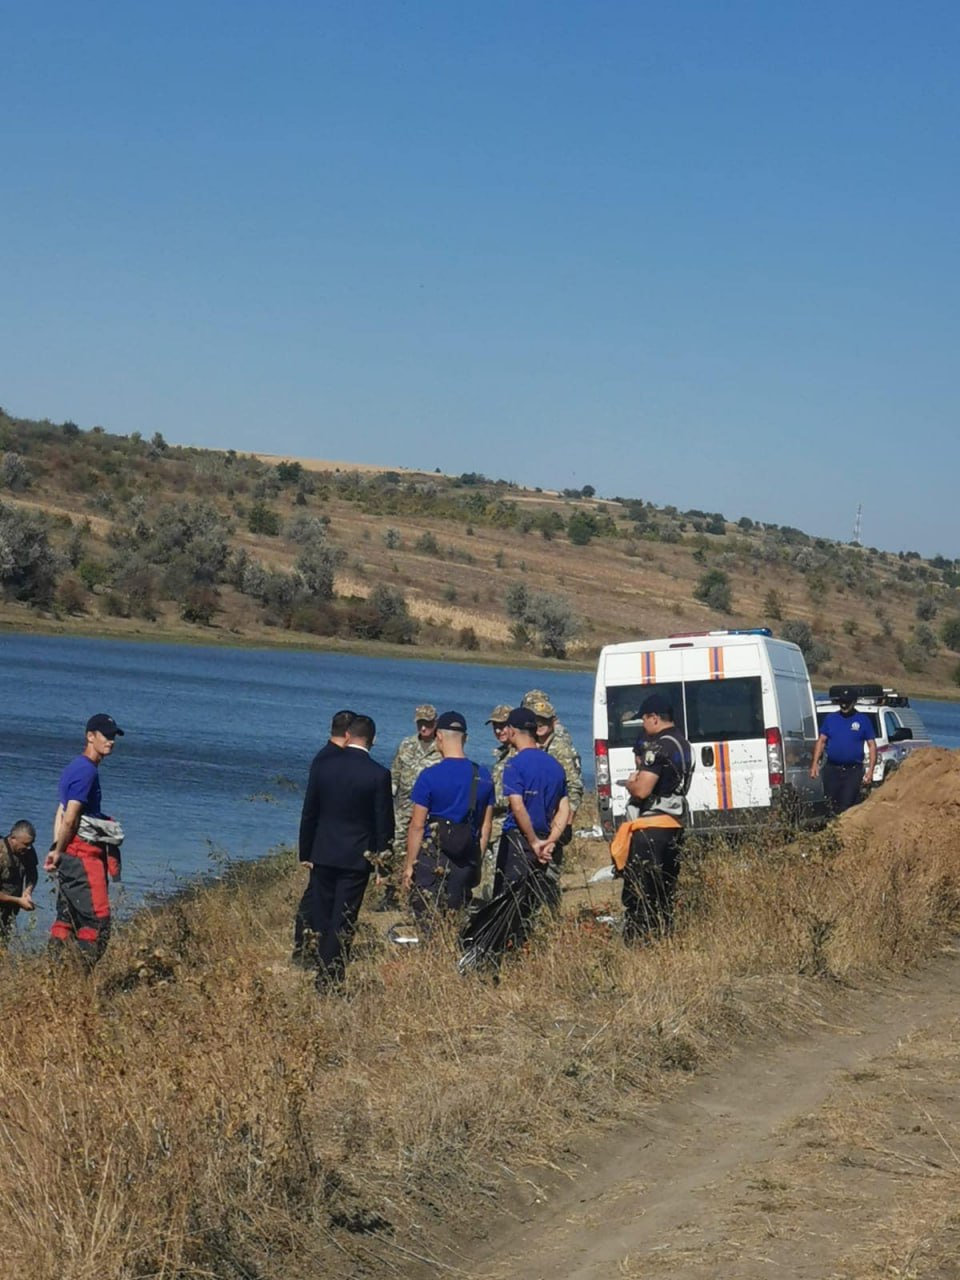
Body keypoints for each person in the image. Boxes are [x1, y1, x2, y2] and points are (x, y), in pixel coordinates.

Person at [297, 714, 394, 990]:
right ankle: (332, 974)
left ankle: (320, 965)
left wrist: (306, 851)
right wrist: (382, 866)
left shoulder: (324, 767)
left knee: (323, 911)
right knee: (345, 916)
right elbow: (383, 823)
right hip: (356, 857)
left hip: (324, 852)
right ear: (372, 741)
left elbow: (310, 812)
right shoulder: (378, 774)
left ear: (348, 736)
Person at [609, 693, 693, 942]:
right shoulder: (683, 744)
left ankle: (639, 940)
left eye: (644, 720)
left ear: (654, 718)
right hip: (673, 824)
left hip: (651, 826)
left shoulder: (658, 747)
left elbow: (643, 789)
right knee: (665, 887)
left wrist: (632, 783)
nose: (643, 726)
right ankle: (664, 936)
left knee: (641, 890)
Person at [401, 711, 494, 931]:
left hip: (432, 857)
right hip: (464, 857)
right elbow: (485, 826)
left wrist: (409, 865)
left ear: (439, 737)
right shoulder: (483, 775)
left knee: (427, 918)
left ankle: (433, 957)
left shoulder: (429, 776)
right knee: (456, 918)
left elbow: (417, 826)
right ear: (466, 738)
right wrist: (476, 861)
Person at [44, 714, 125, 965]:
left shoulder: (77, 767)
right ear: (90, 736)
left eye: (113, 736)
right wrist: (59, 850)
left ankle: (53, 976)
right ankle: (77, 981)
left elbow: (60, 809)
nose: (110, 741)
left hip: (71, 853)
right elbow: (70, 817)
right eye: (105, 736)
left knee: (67, 918)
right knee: (98, 922)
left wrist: (57, 849)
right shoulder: (86, 771)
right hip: (82, 854)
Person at [292, 708, 357, 965]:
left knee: (317, 897)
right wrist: (306, 850)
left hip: (325, 842)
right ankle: (304, 948)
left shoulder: (329, 757)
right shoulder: (328, 760)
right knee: (315, 899)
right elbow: (311, 810)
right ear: (348, 733)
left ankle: (312, 947)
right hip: (324, 844)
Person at [496, 707, 570, 913]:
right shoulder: (555, 765)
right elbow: (564, 808)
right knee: (532, 900)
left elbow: (518, 806)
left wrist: (532, 841)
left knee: (508, 901)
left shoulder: (514, 764)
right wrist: (551, 840)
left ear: (511, 730)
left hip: (518, 839)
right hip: (544, 839)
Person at [382, 704, 441, 909]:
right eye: (420, 723)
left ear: (435, 723)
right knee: (396, 846)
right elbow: (395, 772)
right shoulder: (406, 744)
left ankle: (419, 894)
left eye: (428, 724)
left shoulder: (441, 746)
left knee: (424, 850)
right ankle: (391, 894)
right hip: (404, 806)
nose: (423, 728)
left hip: (429, 810)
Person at [811, 687, 877, 816]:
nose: (844, 705)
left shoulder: (863, 720)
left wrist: (870, 771)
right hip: (832, 769)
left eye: (847, 702)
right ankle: (830, 830)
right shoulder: (831, 719)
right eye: (842, 702)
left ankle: (844, 831)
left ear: (853, 702)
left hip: (853, 771)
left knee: (846, 804)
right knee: (830, 803)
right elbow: (821, 741)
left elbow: (872, 745)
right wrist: (814, 764)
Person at [530, 697, 584, 832]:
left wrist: (568, 818)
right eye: (536, 720)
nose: (539, 724)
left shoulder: (560, 748)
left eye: (544, 720)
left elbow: (574, 785)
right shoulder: (532, 745)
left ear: (553, 722)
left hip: (557, 817)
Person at [479, 704, 513, 899]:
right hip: (494, 827)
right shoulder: (502, 754)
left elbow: (510, 795)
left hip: (506, 827)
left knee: (500, 880)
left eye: (503, 725)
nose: (499, 731)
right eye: (495, 727)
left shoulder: (517, 754)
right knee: (491, 880)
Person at [0, 821, 38, 949]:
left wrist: (27, 892)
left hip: (9, 911)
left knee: (3, 948)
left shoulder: (28, 851)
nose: (29, 848)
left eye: (31, 844)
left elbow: (32, 873)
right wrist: (18, 900)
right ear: (13, 838)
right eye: (26, 844)